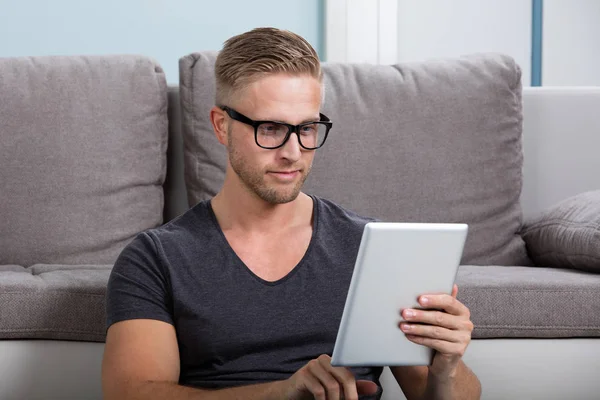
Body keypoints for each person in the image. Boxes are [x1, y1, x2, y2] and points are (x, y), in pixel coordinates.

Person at [101, 27, 482, 400]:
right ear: (221, 126)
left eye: (307, 128)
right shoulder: (156, 257)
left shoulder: (373, 248)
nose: (293, 152)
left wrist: (446, 366)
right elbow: (132, 392)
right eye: (270, 128)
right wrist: (281, 393)